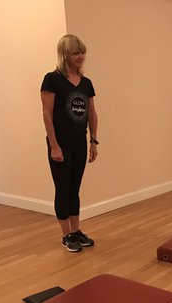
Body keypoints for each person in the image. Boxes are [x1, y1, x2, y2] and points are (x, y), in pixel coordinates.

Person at [40, 34, 99, 252]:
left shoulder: (86, 83)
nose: (81, 56)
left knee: (74, 189)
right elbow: (47, 115)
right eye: (76, 52)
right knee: (62, 188)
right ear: (65, 54)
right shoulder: (52, 79)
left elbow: (92, 113)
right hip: (60, 144)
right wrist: (54, 145)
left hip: (80, 143)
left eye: (82, 52)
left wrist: (93, 141)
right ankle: (66, 235)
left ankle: (76, 231)